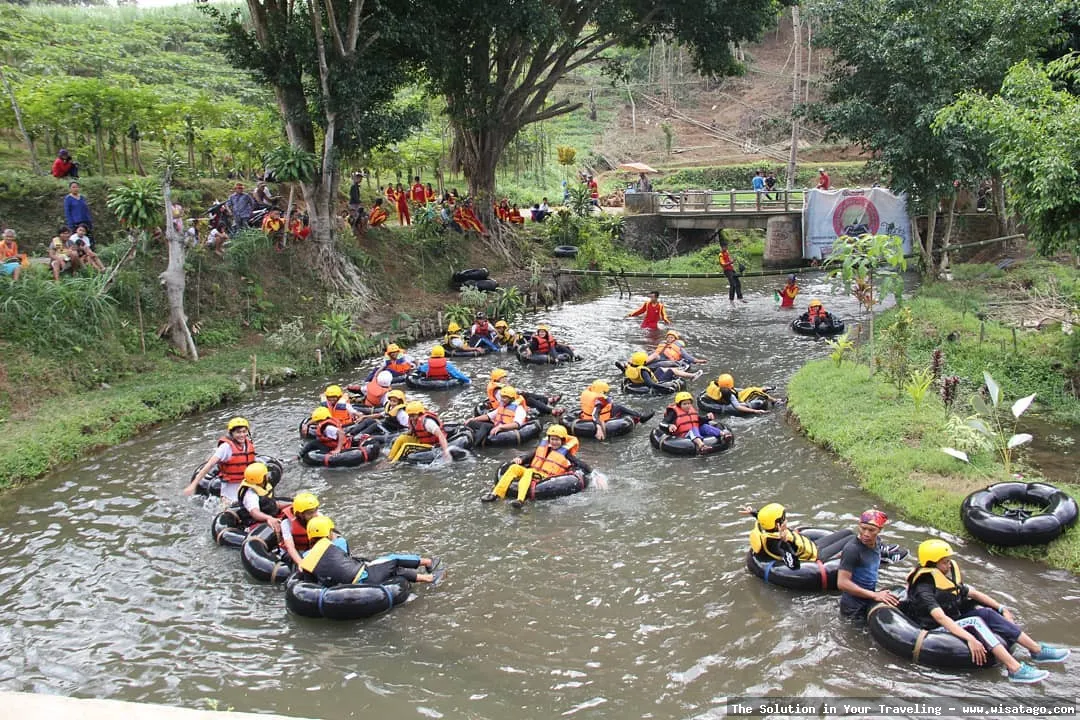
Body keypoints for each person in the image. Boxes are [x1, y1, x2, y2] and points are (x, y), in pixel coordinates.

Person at [903, 539, 1068, 683]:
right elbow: (940, 617)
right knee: (975, 622)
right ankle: (1015, 669)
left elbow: (974, 593)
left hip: (953, 618)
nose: (948, 565)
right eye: (944, 562)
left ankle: (1037, 650)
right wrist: (970, 639)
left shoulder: (943, 577)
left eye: (948, 561)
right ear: (932, 564)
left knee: (987, 613)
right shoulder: (923, 587)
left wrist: (1001, 608)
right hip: (933, 628)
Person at [298, 516, 439, 586]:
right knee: (392, 559)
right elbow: (347, 559)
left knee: (393, 571)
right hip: (364, 577)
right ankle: (428, 562)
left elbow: (311, 583)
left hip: (342, 586)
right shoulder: (337, 543)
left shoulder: (306, 557)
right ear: (329, 533)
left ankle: (428, 578)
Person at [481, 424, 585, 508]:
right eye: (552, 439)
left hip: (545, 477)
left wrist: (581, 472)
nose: (554, 442)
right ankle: (495, 494)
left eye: (557, 440)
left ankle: (520, 500)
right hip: (534, 471)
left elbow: (578, 464)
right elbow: (530, 456)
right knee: (514, 468)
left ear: (562, 441)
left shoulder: (566, 454)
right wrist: (521, 459)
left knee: (528, 472)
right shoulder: (543, 449)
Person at [739, 503, 857, 569]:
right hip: (816, 556)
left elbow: (764, 519)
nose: (786, 519)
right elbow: (793, 565)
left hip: (813, 545)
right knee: (852, 539)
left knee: (848, 532)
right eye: (784, 517)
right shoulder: (776, 542)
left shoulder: (769, 528)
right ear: (777, 524)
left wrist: (753, 512)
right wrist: (784, 542)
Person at [837, 509, 899, 623]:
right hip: (853, 608)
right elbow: (842, 583)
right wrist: (875, 595)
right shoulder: (852, 549)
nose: (866, 534)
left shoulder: (877, 542)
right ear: (859, 525)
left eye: (871, 530)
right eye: (863, 528)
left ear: (880, 530)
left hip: (868, 599)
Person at [183, 417, 256, 501]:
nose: (242, 435)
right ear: (231, 433)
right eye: (238, 432)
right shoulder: (225, 447)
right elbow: (209, 465)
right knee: (230, 506)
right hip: (229, 487)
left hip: (245, 485)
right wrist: (193, 485)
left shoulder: (248, 444)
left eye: (244, 431)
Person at [577, 379, 653, 441]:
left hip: (586, 416)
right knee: (619, 408)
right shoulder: (599, 401)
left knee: (615, 406)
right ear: (601, 391)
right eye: (605, 392)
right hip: (600, 418)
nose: (607, 394)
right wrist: (598, 427)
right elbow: (595, 414)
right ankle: (641, 417)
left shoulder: (589, 394)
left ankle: (639, 416)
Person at [660, 392, 731, 454]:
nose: (687, 406)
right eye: (684, 404)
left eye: (689, 403)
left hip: (694, 431)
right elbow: (662, 423)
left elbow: (698, 420)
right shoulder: (673, 413)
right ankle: (702, 446)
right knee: (694, 429)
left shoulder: (691, 410)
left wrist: (707, 418)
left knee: (704, 426)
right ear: (679, 405)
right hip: (683, 435)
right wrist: (669, 426)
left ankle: (724, 435)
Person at [234, 461, 290, 533]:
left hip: (270, 514)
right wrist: (269, 518)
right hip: (256, 523)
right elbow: (255, 513)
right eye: (265, 475)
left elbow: (272, 504)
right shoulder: (250, 494)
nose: (267, 476)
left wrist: (291, 504)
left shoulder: (262, 486)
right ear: (261, 478)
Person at [388, 401, 453, 462]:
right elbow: (413, 431)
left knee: (406, 446)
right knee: (401, 438)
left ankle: (393, 463)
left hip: (432, 444)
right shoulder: (412, 420)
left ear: (419, 414)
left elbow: (440, 435)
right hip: (421, 441)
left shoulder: (428, 422)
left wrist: (446, 451)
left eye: (413, 416)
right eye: (409, 415)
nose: (411, 418)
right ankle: (390, 458)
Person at [484, 368, 561, 415]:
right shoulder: (497, 391)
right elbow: (504, 402)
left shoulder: (501, 385)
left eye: (505, 377)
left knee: (526, 394)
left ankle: (547, 400)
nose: (505, 379)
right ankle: (551, 411)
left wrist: (519, 392)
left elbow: (510, 392)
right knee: (528, 399)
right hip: (506, 407)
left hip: (511, 401)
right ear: (498, 379)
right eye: (503, 378)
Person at [280, 492, 322, 567]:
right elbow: (290, 547)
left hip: (309, 549)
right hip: (295, 551)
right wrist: (301, 563)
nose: (314, 515)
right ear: (300, 514)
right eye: (310, 513)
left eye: (315, 511)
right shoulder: (286, 523)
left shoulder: (319, 516)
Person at [624, 351, 700, 390]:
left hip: (641, 381)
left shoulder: (629, 367)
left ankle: (679, 370)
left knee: (660, 369)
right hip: (657, 381)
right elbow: (651, 384)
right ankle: (692, 376)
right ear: (642, 361)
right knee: (670, 371)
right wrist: (663, 387)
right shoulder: (643, 371)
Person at [703, 373, 768, 416]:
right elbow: (738, 407)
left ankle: (762, 389)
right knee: (752, 390)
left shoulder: (714, 389)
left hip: (720, 403)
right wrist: (755, 411)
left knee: (750, 390)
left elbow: (707, 395)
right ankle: (771, 398)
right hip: (734, 402)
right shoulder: (730, 395)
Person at [718, 240, 745, 305]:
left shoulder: (727, 252)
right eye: (725, 247)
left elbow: (729, 260)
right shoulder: (720, 255)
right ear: (722, 247)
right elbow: (723, 264)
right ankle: (731, 300)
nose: (726, 248)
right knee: (733, 285)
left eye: (726, 247)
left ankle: (740, 298)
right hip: (727, 271)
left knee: (738, 283)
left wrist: (732, 261)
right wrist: (731, 262)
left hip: (731, 270)